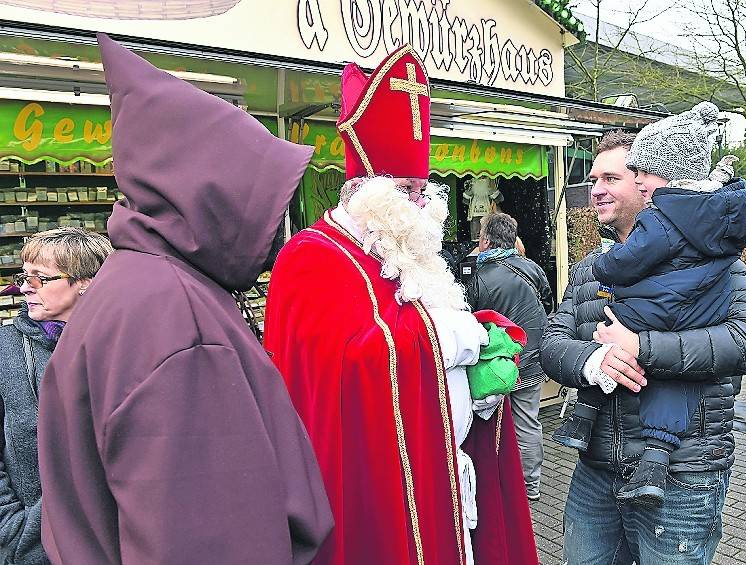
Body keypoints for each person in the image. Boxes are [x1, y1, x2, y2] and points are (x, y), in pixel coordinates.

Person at [37, 34, 333, 565]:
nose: (277, 230)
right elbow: (211, 543)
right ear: (213, 192)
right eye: (265, 201)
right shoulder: (177, 321)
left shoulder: (134, 289)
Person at [264, 45, 538, 565]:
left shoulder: (406, 254)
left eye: (422, 188)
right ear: (366, 191)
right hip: (374, 485)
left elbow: (420, 331)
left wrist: (474, 372)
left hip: (447, 472)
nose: (422, 203)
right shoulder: (311, 256)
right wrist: (451, 340)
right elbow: (357, 363)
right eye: (408, 189)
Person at [541, 128, 746, 565]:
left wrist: (641, 346)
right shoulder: (592, 268)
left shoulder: (715, 264)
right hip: (595, 469)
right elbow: (552, 343)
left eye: (611, 178)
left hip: (684, 474)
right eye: (593, 180)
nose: (596, 191)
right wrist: (593, 361)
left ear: (649, 183)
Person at [0, 228, 112, 565]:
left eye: (42, 277)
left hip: (112, 544)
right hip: (31, 547)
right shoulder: (6, 349)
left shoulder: (116, 348)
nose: (25, 287)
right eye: (25, 275)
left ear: (85, 282)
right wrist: (15, 531)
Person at [466, 213, 551, 504]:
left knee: (491, 424)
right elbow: (547, 302)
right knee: (528, 422)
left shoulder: (480, 277)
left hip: (497, 364)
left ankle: (500, 484)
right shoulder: (532, 267)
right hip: (534, 357)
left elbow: (470, 321)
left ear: (486, 240)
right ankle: (531, 485)